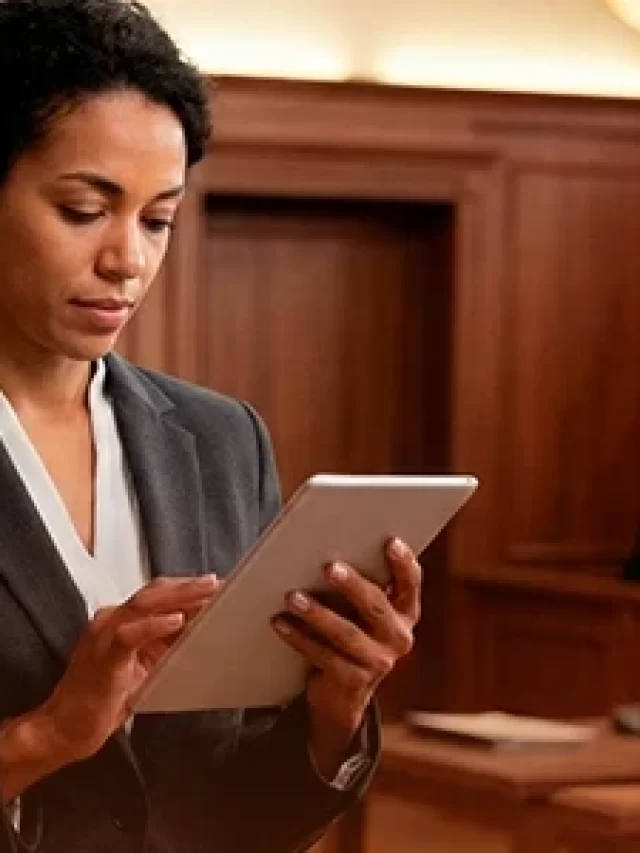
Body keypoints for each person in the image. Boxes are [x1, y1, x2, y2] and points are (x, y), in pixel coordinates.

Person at [0, 1, 423, 851]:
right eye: (85, 210)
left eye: (157, 219)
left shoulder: (222, 440)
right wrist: (44, 737)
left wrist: (334, 708)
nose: (129, 259)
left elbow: (234, 810)